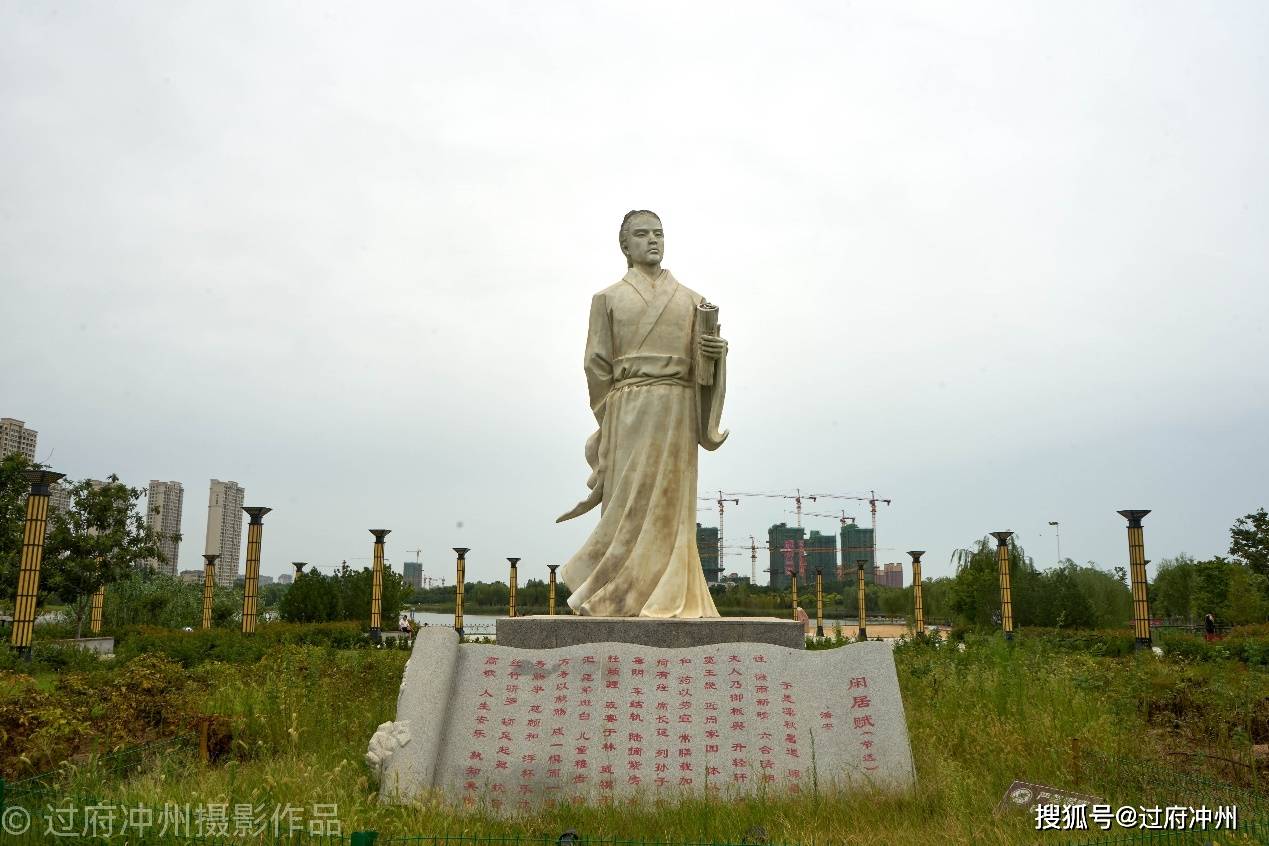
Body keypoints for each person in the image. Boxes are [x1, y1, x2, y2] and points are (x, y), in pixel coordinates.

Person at [557, 210, 729, 618]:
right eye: (642, 234)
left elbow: (702, 369)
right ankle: (613, 592)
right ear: (625, 246)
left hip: (677, 409)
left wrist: (715, 359)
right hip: (628, 410)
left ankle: (667, 591)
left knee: (671, 504)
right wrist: (611, 415)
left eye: (659, 233)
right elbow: (595, 365)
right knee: (626, 504)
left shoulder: (692, 300)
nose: (653, 240)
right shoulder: (608, 299)